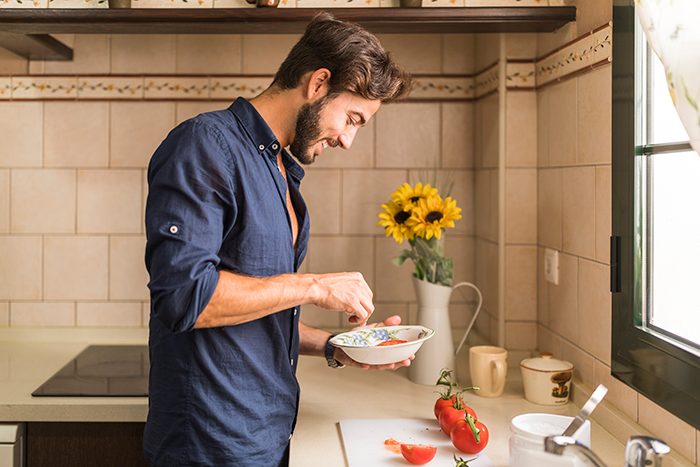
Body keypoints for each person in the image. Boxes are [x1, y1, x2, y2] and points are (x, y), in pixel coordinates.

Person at [143, 11, 413, 467]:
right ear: (318, 83)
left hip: (265, 435)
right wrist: (314, 286)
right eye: (351, 118)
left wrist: (335, 347)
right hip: (209, 444)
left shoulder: (279, 170)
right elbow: (184, 297)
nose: (347, 140)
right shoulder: (204, 145)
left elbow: (254, 317)